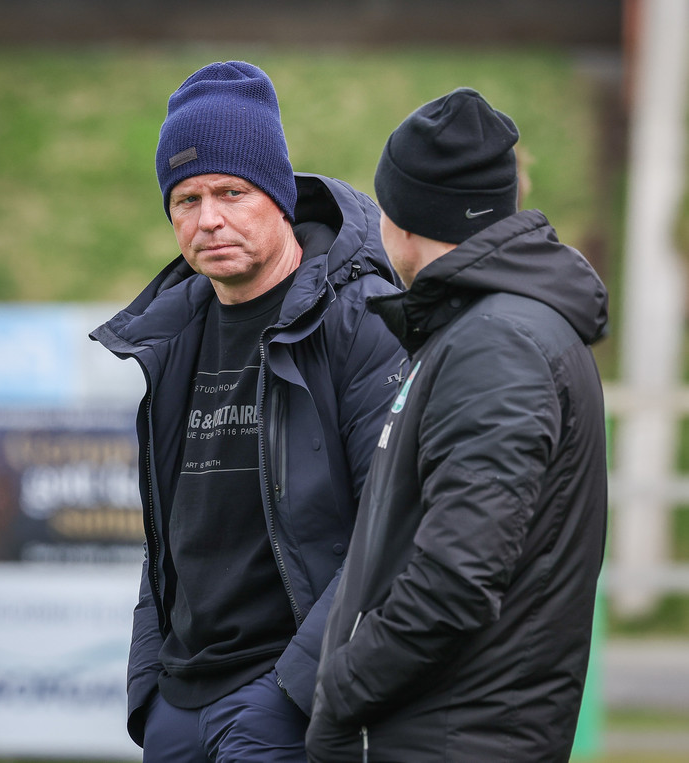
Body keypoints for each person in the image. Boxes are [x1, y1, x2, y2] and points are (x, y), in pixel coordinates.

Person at [91, 61, 404, 762]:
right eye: (187, 199)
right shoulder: (174, 336)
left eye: (232, 191)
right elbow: (168, 536)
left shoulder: (361, 321)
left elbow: (388, 530)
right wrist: (150, 690)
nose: (209, 218)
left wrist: (294, 690)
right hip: (179, 703)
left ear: (280, 197)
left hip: (281, 701)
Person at [306, 88, 608, 762]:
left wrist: (344, 687)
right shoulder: (493, 326)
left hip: (448, 738)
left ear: (404, 218)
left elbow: (455, 580)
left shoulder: (495, 343)